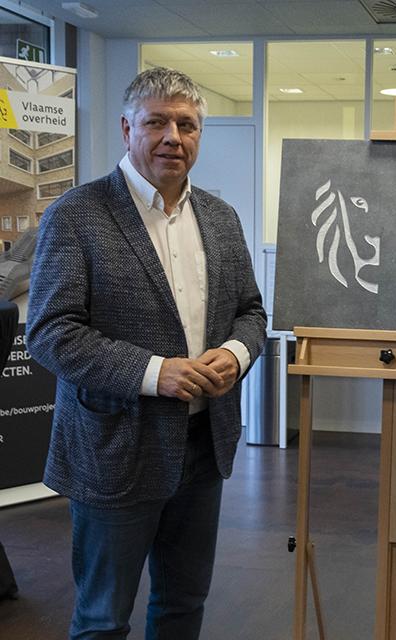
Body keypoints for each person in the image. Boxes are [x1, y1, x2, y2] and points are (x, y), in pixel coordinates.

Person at [26, 67, 267, 639]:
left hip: (203, 448)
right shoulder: (77, 215)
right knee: (102, 619)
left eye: (186, 125)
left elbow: (252, 312)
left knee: (183, 606)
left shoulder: (221, 218)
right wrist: (153, 373)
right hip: (115, 450)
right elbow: (51, 331)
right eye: (157, 122)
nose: (172, 137)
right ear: (127, 128)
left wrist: (235, 353)